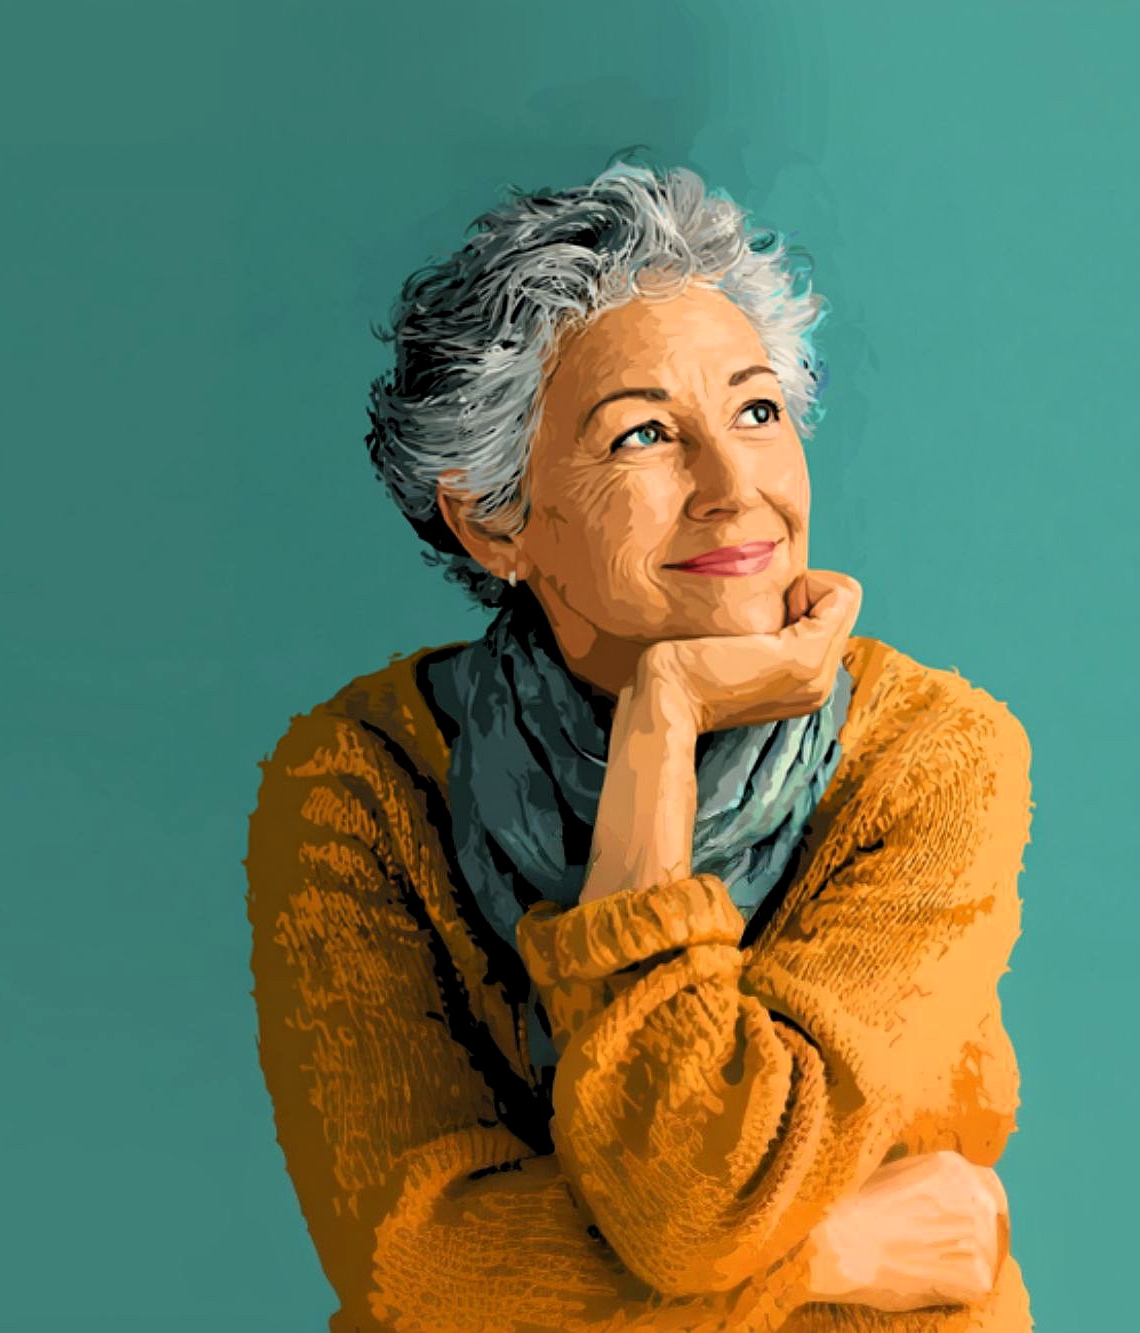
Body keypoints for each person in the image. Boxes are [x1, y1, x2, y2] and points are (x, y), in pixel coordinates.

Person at [243, 160, 1035, 1332]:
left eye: (756, 411)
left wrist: (660, 709)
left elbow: (692, 1203)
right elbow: (422, 1268)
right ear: (493, 519)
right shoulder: (360, 778)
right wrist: (827, 1254)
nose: (735, 489)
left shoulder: (929, 754)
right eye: (645, 435)